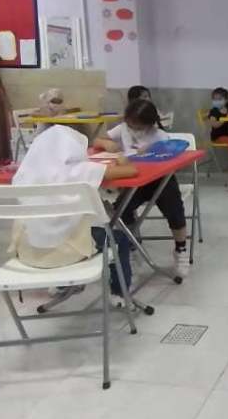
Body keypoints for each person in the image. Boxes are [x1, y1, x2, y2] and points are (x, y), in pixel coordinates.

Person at [10, 124, 138, 307]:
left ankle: (62, 286)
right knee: (120, 240)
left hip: (28, 252)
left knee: (55, 227)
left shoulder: (23, 174)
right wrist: (122, 159)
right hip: (68, 253)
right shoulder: (81, 170)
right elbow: (132, 171)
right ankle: (119, 293)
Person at [93, 99, 191, 275]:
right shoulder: (123, 128)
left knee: (174, 209)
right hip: (134, 181)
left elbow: (169, 158)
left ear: (149, 123)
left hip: (160, 180)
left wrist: (148, 152)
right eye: (130, 123)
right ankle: (131, 244)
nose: (132, 128)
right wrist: (106, 143)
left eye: (137, 125)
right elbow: (97, 141)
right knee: (121, 209)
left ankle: (181, 249)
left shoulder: (160, 136)